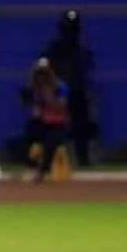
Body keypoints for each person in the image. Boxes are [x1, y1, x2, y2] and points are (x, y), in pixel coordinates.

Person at [39, 9, 97, 165]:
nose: (70, 33)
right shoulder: (53, 49)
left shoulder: (81, 50)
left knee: (81, 126)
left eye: (73, 28)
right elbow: (43, 70)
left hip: (77, 93)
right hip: (58, 95)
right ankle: (48, 161)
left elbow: (86, 71)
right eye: (67, 28)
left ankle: (83, 159)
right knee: (54, 129)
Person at [23, 59, 70, 181]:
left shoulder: (59, 86)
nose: (42, 76)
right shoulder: (36, 87)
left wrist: (50, 97)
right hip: (43, 122)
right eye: (39, 73)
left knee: (51, 143)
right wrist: (37, 108)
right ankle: (32, 165)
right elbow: (35, 107)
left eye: (44, 72)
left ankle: (42, 171)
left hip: (57, 123)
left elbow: (62, 106)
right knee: (30, 137)